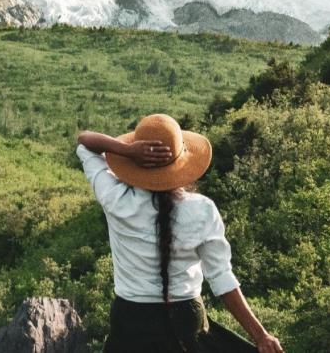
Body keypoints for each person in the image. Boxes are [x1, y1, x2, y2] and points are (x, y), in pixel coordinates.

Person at [76, 113, 284, 353]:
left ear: (136, 165)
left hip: (131, 324)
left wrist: (127, 150)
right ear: (181, 163)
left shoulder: (115, 199)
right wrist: (261, 336)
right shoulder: (202, 209)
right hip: (186, 323)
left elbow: (85, 141)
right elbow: (222, 279)